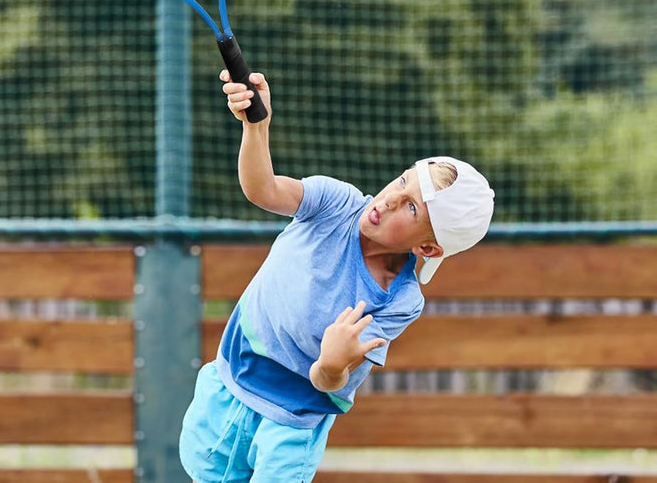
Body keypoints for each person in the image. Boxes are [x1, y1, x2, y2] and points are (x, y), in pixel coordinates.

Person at [179, 70, 495, 483]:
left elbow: (327, 381)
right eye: (401, 182)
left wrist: (331, 362)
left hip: (291, 427)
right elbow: (264, 190)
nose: (391, 198)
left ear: (428, 249)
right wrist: (257, 128)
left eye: (412, 209)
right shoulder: (336, 203)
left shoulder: (399, 301)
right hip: (229, 382)